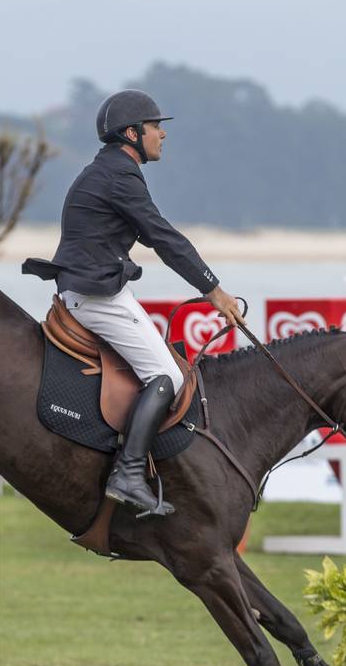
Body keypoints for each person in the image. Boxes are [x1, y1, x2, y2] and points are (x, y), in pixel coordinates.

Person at [23, 89, 244, 517]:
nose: (162, 134)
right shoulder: (118, 175)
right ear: (131, 133)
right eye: (155, 127)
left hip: (97, 287)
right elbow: (162, 236)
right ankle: (127, 474)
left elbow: (150, 234)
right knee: (167, 375)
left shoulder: (112, 172)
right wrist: (213, 290)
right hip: (95, 295)